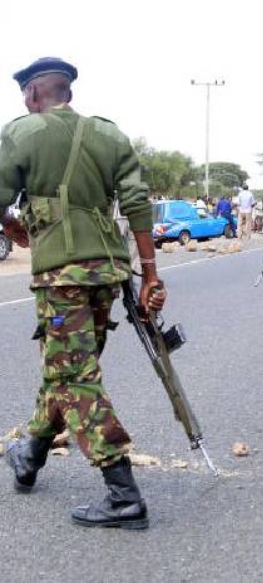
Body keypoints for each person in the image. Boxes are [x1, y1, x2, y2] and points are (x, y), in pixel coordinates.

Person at [0, 57, 167, 530]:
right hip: (109, 273)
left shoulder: (21, 133)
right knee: (67, 368)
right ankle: (30, 454)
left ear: (34, 94)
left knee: (74, 378)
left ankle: (124, 495)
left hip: (61, 275)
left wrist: (10, 222)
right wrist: (151, 273)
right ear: (66, 92)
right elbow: (136, 203)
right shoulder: (110, 134)